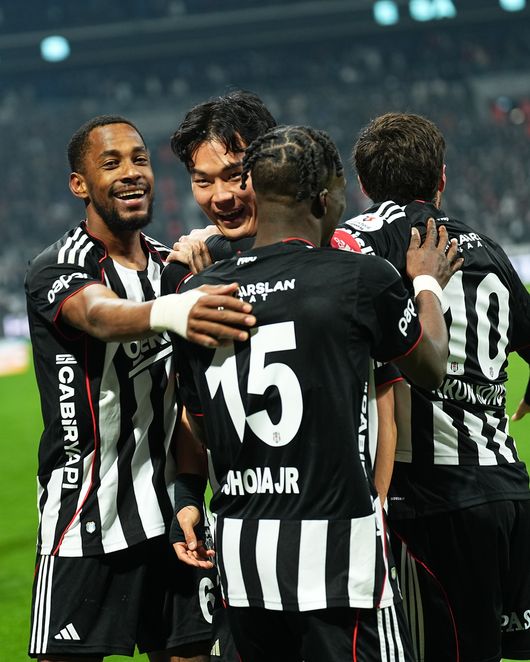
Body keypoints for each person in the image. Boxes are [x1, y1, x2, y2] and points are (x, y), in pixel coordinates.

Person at [169, 124, 461, 662]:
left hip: (242, 557)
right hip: (338, 557)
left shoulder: (196, 293)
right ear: (325, 198)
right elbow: (431, 367)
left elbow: (199, 421)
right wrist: (426, 284)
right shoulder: (360, 279)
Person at [24, 114, 256, 662]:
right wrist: (175, 308)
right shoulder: (60, 266)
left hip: (172, 518)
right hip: (85, 518)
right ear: (80, 185)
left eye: (140, 160)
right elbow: (99, 315)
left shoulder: (167, 266)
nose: (131, 172)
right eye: (111, 163)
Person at [332, 111, 530, 662]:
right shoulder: (488, 248)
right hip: (507, 488)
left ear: (363, 183)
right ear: (442, 177)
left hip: (428, 502)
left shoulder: (357, 240)